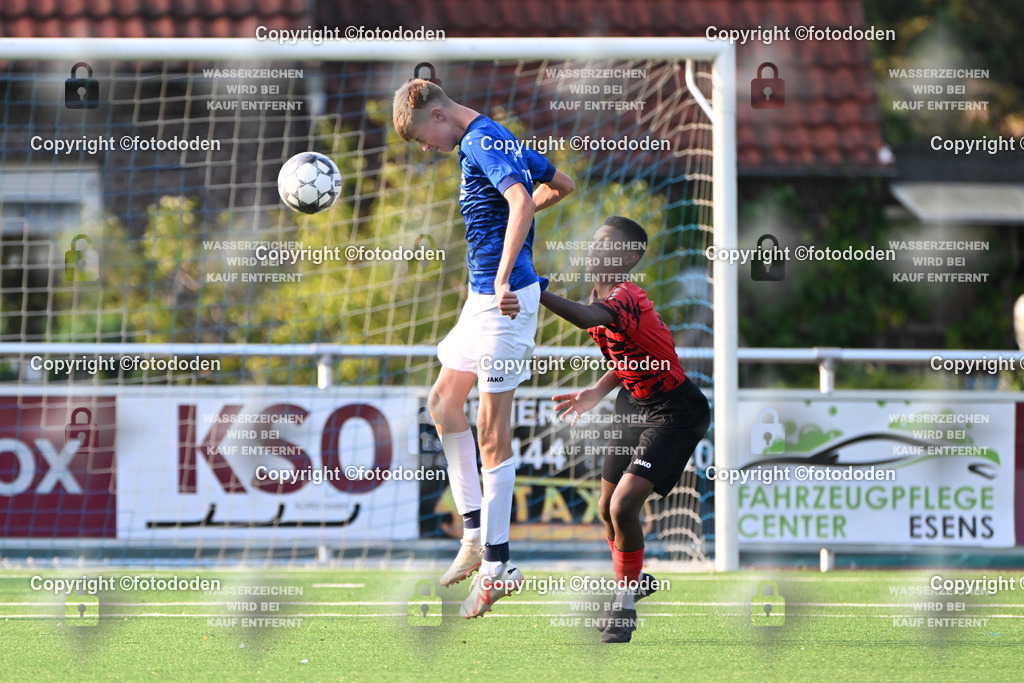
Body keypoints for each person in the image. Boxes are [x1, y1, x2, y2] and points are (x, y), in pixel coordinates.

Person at [392, 78, 575, 618]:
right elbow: (562, 183)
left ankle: (499, 567)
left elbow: (520, 202)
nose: (426, 149)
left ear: (438, 115)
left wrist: (503, 275)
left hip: (505, 301)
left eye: (423, 138)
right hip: (482, 299)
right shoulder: (495, 137)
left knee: (493, 431)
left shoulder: (479, 141)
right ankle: (474, 536)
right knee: (443, 404)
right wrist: (503, 255)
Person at [539, 216, 710, 643]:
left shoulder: (626, 295)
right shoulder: (599, 296)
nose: (596, 248)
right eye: (595, 240)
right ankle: (634, 581)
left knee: (622, 508)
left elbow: (583, 318)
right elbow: (628, 354)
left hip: (674, 409)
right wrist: (596, 391)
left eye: (608, 244)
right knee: (604, 508)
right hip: (632, 404)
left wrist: (535, 288)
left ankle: (624, 606)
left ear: (630, 257)